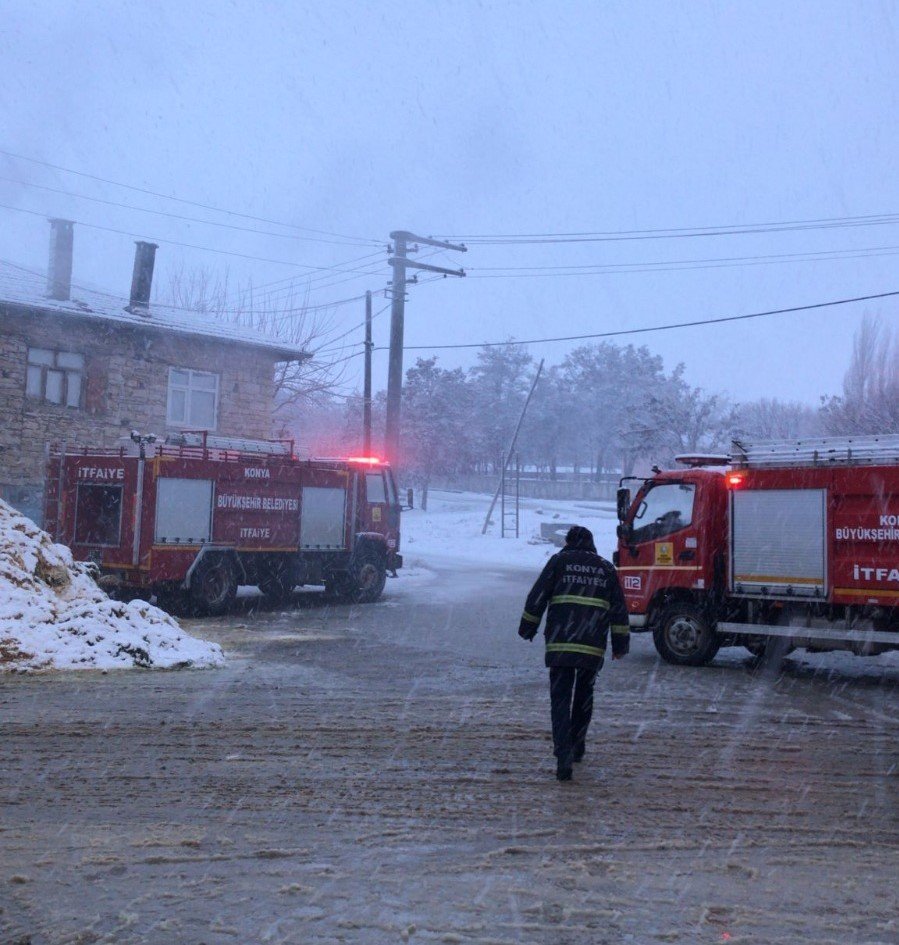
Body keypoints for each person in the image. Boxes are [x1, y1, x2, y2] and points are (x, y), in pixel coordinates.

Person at [518, 525, 629, 781]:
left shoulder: (559, 562)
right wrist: (620, 645)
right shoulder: (605, 568)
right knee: (583, 697)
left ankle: (563, 755)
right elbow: (619, 610)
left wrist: (528, 627)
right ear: (591, 543)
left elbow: (538, 596)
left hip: (561, 645)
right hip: (591, 646)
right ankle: (578, 745)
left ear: (568, 542)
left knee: (560, 700)